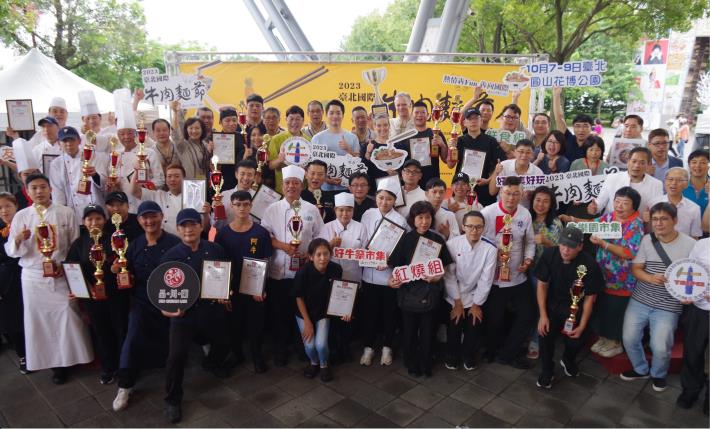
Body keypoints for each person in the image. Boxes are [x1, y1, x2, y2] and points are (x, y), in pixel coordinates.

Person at [5, 173, 92, 383]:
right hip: (33, 277)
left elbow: (75, 243)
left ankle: (71, 358)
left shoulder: (65, 212)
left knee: (67, 315)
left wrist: (67, 267)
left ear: (50, 189)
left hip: (60, 273)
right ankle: (54, 366)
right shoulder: (22, 216)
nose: (39, 191)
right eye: (34, 188)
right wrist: (18, 239)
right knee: (40, 322)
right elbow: (11, 251)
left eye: (43, 187)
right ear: (27, 191)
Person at [160, 208, 231, 423]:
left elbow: (226, 274)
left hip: (211, 308)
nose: (188, 229)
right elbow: (162, 291)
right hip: (184, 315)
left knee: (225, 339)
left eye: (193, 224)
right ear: (178, 229)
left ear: (202, 226)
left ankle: (212, 363)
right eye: (183, 225)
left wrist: (226, 294)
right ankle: (173, 399)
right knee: (176, 357)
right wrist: (167, 309)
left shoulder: (215, 249)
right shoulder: (171, 256)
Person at [112, 201, 181, 412]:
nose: (149, 221)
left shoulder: (174, 243)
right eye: (145, 217)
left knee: (178, 343)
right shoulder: (133, 244)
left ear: (161, 217)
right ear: (139, 220)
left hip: (169, 299)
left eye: (153, 216)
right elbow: (126, 268)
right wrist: (118, 269)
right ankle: (125, 386)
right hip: (142, 301)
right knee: (131, 337)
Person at [620, 202, 695, 392]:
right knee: (629, 338)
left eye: (664, 219)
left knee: (660, 346)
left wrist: (690, 294)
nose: (659, 223)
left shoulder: (691, 244)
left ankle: (659, 374)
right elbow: (636, 268)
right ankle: (640, 369)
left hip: (669, 305)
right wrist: (650, 278)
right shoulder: (647, 240)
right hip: (640, 299)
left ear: (675, 221)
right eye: (655, 219)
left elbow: (696, 276)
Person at [261, 165, 324, 366]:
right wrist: (284, 247)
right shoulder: (272, 209)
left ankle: (301, 347)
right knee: (279, 313)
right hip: (278, 270)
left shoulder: (311, 209)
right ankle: (281, 349)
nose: (291, 187)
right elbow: (265, 237)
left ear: (301, 185)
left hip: (304, 271)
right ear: (282, 185)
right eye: (287, 183)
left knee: (301, 311)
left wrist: (310, 254)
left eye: (295, 183)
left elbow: (319, 237)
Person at [66, 204, 130, 385]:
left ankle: (126, 367)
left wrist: (117, 268)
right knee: (101, 332)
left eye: (98, 218)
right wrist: (81, 289)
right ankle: (108, 367)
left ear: (105, 220)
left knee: (121, 329)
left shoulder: (115, 239)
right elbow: (72, 268)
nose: (94, 222)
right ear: (84, 222)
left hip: (117, 295)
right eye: (90, 219)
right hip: (93, 297)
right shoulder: (79, 243)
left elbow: (125, 263)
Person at [388, 201, 453, 377]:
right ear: (413, 219)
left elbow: (444, 266)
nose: (424, 221)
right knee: (408, 331)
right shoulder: (405, 239)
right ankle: (411, 362)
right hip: (408, 292)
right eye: (420, 217)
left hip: (430, 291)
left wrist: (437, 277)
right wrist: (392, 280)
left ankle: (426, 363)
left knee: (428, 331)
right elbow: (394, 265)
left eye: (427, 217)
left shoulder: (437, 239)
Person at [535, 226, 604, 388]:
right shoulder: (549, 254)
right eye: (563, 244)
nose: (566, 250)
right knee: (544, 334)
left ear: (580, 246)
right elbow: (542, 285)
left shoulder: (590, 264)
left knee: (578, 338)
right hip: (553, 303)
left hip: (576, 307)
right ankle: (547, 370)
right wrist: (543, 315)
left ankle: (568, 359)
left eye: (571, 246)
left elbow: (590, 298)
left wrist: (582, 325)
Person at [214, 190, 273, 373]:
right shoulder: (222, 234)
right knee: (234, 324)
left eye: (245, 204)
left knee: (256, 324)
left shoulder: (261, 232)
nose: (241, 208)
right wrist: (222, 291)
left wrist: (262, 288)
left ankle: (257, 355)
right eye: (238, 204)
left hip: (254, 288)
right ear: (231, 206)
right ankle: (237, 354)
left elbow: (267, 261)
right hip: (232, 289)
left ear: (251, 206)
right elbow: (219, 266)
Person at [481, 176, 536, 369]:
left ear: (521, 195)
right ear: (500, 193)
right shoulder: (488, 212)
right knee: (494, 319)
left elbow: (529, 242)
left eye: (515, 194)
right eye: (507, 193)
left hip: (518, 276)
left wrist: (528, 260)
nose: (511, 198)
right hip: (494, 278)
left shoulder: (525, 214)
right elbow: (479, 242)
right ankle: (490, 350)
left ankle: (508, 353)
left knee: (528, 314)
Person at [588, 187, 645, 358]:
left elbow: (629, 253)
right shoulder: (609, 217)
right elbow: (593, 225)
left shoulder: (636, 224)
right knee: (603, 307)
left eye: (625, 203)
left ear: (634, 207)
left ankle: (615, 342)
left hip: (622, 278)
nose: (619, 206)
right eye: (617, 201)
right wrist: (590, 233)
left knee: (616, 309)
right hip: (603, 274)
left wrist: (604, 244)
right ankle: (604, 338)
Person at [359, 179, 409, 366]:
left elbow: (403, 249)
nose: (384, 202)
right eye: (381, 198)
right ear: (376, 198)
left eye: (389, 199)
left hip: (389, 277)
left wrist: (388, 261)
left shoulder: (400, 220)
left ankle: (387, 347)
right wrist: (367, 256)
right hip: (369, 275)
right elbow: (363, 241)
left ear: (394, 200)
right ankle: (368, 347)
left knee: (389, 314)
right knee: (369, 313)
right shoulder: (367, 214)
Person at [317, 192, 368, 362]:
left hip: (353, 278)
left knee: (348, 317)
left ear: (353, 211)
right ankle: (332, 349)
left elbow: (367, 251)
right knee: (332, 316)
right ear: (335, 210)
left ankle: (345, 348)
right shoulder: (327, 227)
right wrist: (330, 245)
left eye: (348, 210)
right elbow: (318, 253)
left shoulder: (361, 227)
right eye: (340, 210)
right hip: (331, 280)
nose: (344, 214)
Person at [443, 210, 496, 371]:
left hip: (475, 294)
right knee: (456, 321)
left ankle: (468, 355)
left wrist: (476, 304)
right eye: (470, 226)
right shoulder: (452, 244)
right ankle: (452, 355)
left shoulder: (490, 249)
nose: (474, 230)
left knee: (474, 321)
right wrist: (457, 302)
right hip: (454, 294)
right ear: (463, 227)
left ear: (484, 228)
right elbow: (449, 276)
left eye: (478, 227)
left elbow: (486, 279)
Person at [293, 238, 345, 382]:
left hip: (323, 312)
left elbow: (339, 294)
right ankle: (314, 362)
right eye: (318, 255)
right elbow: (299, 298)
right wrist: (308, 323)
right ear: (311, 257)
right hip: (304, 313)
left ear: (330, 254)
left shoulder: (336, 269)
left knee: (321, 345)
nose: (323, 258)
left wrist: (345, 312)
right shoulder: (303, 273)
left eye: (326, 254)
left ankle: (323, 364)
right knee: (309, 346)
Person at [528, 186, 563, 358]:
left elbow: (562, 249)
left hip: (542, 273)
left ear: (551, 205)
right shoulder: (526, 218)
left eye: (545, 201)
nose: (541, 204)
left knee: (537, 307)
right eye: (538, 200)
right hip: (522, 268)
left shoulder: (555, 222)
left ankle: (536, 341)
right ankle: (524, 337)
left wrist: (546, 241)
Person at [676, 237, 709, 414]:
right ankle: (690, 390)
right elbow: (690, 270)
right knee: (693, 352)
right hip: (699, 309)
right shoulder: (702, 244)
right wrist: (684, 292)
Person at [48, 126, 108, 225]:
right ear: (59, 143)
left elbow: (105, 184)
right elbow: (57, 192)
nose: (68, 144)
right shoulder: (56, 164)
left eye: (72, 139)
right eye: (65, 140)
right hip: (73, 214)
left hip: (96, 211)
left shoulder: (94, 156)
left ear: (79, 141)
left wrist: (95, 175)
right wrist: (61, 216)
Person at [446, 107, 505, 207]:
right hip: (461, 188)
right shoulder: (459, 141)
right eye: (470, 119)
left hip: (483, 188)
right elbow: (450, 165)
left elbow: (500, 165)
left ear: (481, 121)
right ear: (464, 122)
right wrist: (451, 148)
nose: (473, 121)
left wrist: (488, 180)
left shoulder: (491, 141)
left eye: (476, 118)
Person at [589, 147, 663, 216]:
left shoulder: (656, 184)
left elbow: (657, 210)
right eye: (634, 161)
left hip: (639, 227)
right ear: (628, 161)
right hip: (613, 224)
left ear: (649, 164)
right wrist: (594, 208)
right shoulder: (612, 178)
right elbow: (600, 203)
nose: (637, 165)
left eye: (642, 163)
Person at [0, 192, 28, 374]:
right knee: (12, 320)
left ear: (16, 206)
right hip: (5, 281)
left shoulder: (25, 223)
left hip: (24, 275)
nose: (4, 211)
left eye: (7, 206)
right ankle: (22, 355)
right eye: (0, 208)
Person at [395, 101, 448, 187]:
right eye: (416, 112)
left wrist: (442, 145)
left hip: (432, 181)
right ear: (412, 115)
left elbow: (445, 160)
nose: (419, 115)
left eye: (423, 112)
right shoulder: (405, 135)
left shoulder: (436, 133)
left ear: (428, 116)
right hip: (412, 183)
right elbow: (399, 162)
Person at [311, 99, 359, 192]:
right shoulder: (317, 138)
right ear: (326, 115)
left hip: (347, 188)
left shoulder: (352, 137)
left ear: (343, 115)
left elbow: (358, 163)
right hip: (324, 188)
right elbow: (313, 166)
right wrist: (326, 179)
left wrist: (348, 149)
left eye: (338, 113)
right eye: (331, 113)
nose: (335, 116)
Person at [131, 163, 187, 235]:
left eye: (177, 176)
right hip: (162, 241)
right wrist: (136, 171)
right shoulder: (159, 195)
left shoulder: (191, 199)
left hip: (183, 241)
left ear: (184, 178)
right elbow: (134, 191)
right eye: (169, 176)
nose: (172, 179)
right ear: (166, 180)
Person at [649, 167, 702, 239]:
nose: (674, 183)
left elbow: (695, 236)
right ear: (665, 181)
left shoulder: (694, 208)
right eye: (670, 179)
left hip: (684, 248)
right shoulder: (653, 203)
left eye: (679, 180)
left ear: (686, 184)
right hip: (658, 247)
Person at [489, 139, 543, 208]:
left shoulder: (538, 172)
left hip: (525, 210)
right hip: (502, 208)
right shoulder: (504, 166)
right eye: (521, 151)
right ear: (515, 152)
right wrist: (496, 173)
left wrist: (532, 195)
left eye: (528, 152)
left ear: (532, 155)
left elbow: (539, 198)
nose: (524, 155)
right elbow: (492, 192)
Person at [269, 105, 310, 194]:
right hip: (282, 188)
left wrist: (307, 168)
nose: (294, 122)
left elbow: (312, 165)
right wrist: (279, 160)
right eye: (291, 119)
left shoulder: (309, 141)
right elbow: (270, 165)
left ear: (303, 121)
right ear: (286, 120)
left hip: (303, 188)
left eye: (298, 119)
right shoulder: (276, 139)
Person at [552, 86, 594, 162]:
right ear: (573, 128)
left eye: (585, 126)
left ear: (591, 127)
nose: (581, 130)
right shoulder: (568, 138)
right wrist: (556, 94)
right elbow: (559, 117)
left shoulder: (595, 144)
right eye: (577, 126)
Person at [170, 104, 210, 179]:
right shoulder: (182, 145)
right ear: (186, 130)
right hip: (189, 184)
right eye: (191, 128)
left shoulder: (205, 145)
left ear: (202, 130)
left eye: (197, 128)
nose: (194, 131)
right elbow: (175, 133)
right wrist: (175, 113)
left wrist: (210, 152)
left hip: (204, 184)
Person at [362, 114, 400, 191]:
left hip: (394, 188)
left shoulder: (398, 145)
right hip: (374, 189)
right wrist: (368, 153)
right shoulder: (367, 145)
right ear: (374, 127)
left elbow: (404, 168)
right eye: (379, 125)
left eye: (385, 125)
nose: (382, 128)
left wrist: (397, 173)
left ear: (389, 126)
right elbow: (363, 169)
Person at [217, 108, 249, 191]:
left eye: (234, 120)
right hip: (223, 180)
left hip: (240, 180)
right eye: (227, 121)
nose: (231, 123)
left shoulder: (242, 137)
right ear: (220, 122)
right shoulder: (215, 139)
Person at [683, 150, 709, 217]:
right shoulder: (681, 185)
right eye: (694, 162)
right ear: (689, 165)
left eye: (703, 162)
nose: (697, 165)